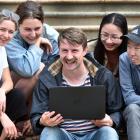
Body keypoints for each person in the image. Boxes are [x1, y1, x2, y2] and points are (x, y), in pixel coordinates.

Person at [30, 27, 123, 140]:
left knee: (109, 133)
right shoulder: (47, 77)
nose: (69, 56)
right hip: (61, 133)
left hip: (95, 133)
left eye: (74, 51)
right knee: (48, 133)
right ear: (58, 50)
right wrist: (42, 121)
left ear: (84, 51)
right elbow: (36, 115)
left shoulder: (103, 76)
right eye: (64, 50)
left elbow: (117, 110)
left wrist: (111, 121)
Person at [5, 0, 59, 135]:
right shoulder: (11, 38)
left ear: (43, 23)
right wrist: (38, 43)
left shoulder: (53, 36)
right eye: (27, 29)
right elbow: (26, 69)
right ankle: (18, 120)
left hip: (43, 92)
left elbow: (58, 72)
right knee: (37, 69)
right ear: (18, 26)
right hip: (14, 93)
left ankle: (33, 119)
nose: (33, 34)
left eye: (37, 29)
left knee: (45, 72)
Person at [0, 9, 28, 140]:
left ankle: (5, 134)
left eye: (11, 32)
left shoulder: (1, 49)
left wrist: (1, 91)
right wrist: (2, 116)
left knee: (16, 96)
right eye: (2, 29)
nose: (6, 35)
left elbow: (8, 81)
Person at [119, 25, 140, 140]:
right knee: (132, 109)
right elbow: (128, 96)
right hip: (135, 107)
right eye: (129, 46)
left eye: (137, 48)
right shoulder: (124, 59)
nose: (131, 53)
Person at [94, 13, 128, 78]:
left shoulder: (131, 52)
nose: (108, 41)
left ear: (123, 36)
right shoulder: (89, 50)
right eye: (105, 35)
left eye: (114, 37)